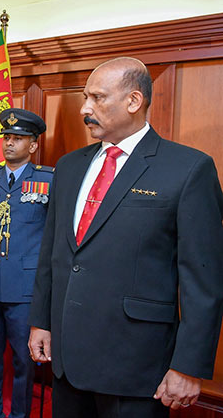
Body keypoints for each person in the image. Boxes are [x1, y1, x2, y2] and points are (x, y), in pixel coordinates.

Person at [28, 57, 223, 417]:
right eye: (86, 97)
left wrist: (189, 365)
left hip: (136, 364)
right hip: (67, 359)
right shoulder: (70, 166)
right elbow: (52, 253)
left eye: (97, 98)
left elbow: (204, 279)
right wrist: (41, 320)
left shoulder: (188, 168)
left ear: (134, 101)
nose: (85, 108)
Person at [0, 108, 53, 418]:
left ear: (32, 145)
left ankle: (20, 414)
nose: (9, 144)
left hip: (26, 291)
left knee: (24, 360)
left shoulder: (49, 180)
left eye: (17, 138)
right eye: (6, 137)